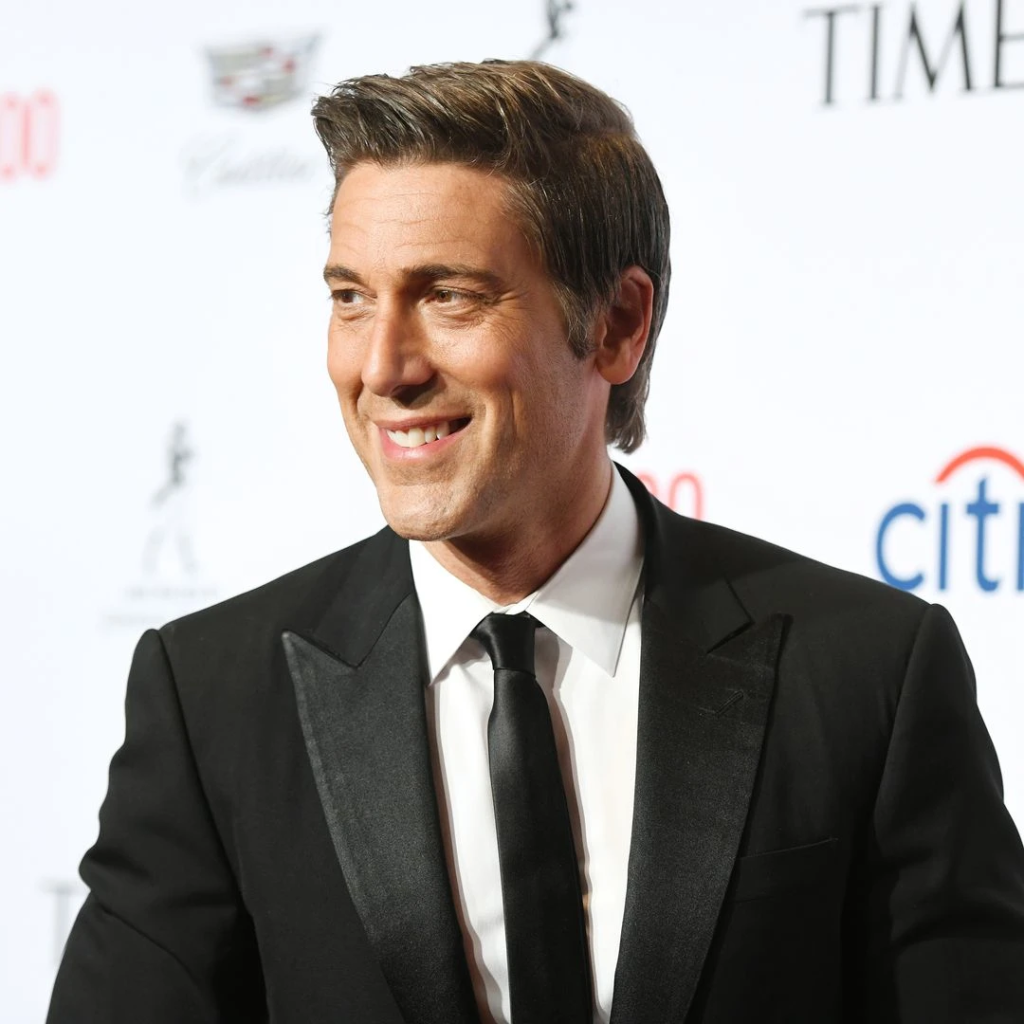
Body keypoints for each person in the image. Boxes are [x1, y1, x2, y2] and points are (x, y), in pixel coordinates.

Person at [48, 60, 1024, 1024]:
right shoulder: (213, 698)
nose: (382, 367)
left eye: (449, 295)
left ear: (618, 323)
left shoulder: (866, 674)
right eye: (350, 297)